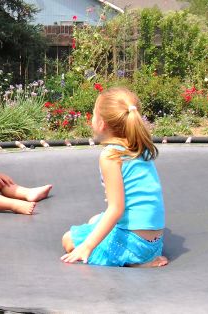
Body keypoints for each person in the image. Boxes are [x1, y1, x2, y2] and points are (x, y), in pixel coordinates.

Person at [60, 87, 168, 267]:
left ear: (101, 123)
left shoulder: (111, 156)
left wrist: (87, 246)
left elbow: (116, 209)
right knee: (95, 220)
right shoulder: (140, 147)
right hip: (154, 242)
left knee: (68, 240)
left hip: (135, 246)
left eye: (93, 114)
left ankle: (137, 262)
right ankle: (144, 256)